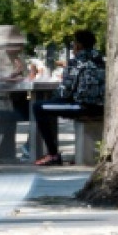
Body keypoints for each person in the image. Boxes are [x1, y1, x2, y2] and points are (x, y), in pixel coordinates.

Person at [33, 29, 104, 166]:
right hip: (101, 106)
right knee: (52, 105)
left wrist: (54, 97)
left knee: (39, 107)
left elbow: (64, 92)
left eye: (74, 44)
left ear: (78, 45)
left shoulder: (77, 61)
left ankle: (53, 154)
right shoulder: (100, 60)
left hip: (84, 106)